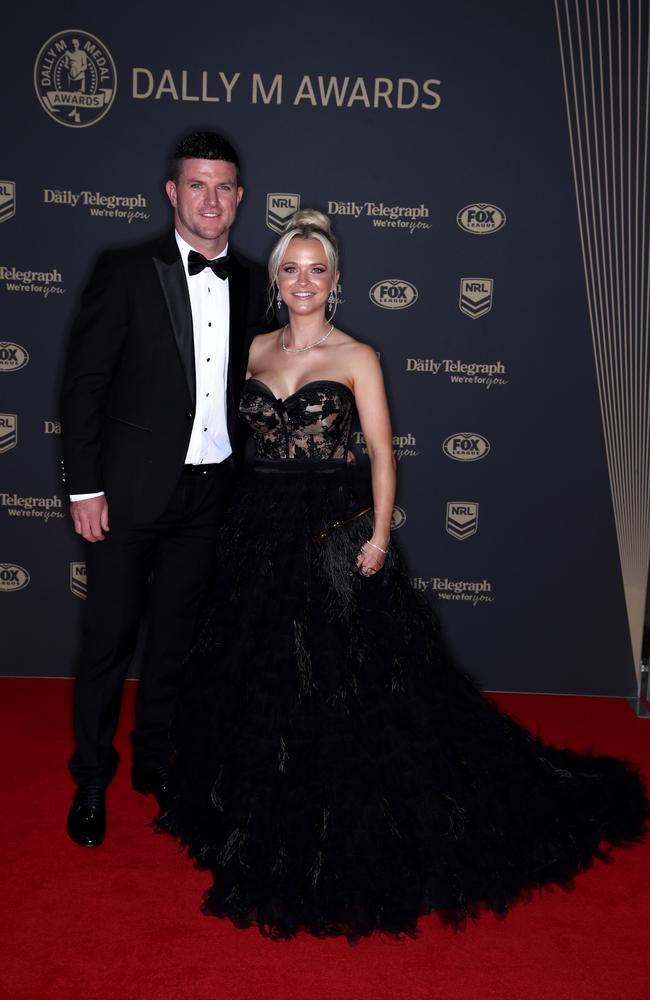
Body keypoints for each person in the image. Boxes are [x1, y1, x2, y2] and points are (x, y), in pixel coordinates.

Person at [157, 209, 648, 940]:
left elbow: (384, 454)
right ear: (277, 277)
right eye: (290, 267)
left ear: (335, 281)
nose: (302, 281)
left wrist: (380, 536)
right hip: (255, 527)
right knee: (257, 670)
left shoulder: (358, 355)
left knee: (342, 677)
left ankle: (329, 805)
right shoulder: (251, 348)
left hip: (331, 527)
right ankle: (255, 798)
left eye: (316, 269)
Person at [61, 131, 270, 848]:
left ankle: (156, 765)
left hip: (209, 499)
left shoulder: (250, 282)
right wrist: (85, 488)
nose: (211, 199)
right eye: (197, 185)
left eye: (224, 187)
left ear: (239, 198)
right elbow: (84, 386)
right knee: (108, 643)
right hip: (125, 496)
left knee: (177, 646)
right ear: (172, 193)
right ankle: (92, 779)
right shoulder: (123, 270)